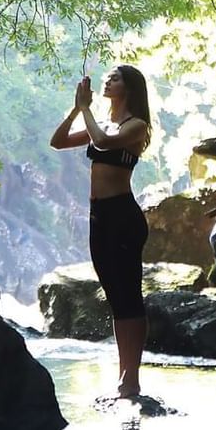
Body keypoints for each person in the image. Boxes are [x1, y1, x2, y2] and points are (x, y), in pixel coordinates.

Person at [50, 65, 154, 398]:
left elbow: (105, 141)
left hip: (123, 215)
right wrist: (75, 108)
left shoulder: (135, 126)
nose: (108, 81)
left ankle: (131, 378)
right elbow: (58, 141)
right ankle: (124, 375)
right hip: (99, 217)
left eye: (115, 78)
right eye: (107, 78)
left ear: (131, 88)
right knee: (114, 297)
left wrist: (86, 109)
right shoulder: (103, 122)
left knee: (129, 296)